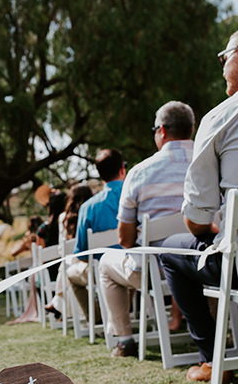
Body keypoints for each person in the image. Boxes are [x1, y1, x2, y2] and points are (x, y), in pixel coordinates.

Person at [160, 31, 238, 383]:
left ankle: (211, 357)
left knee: (171, 252)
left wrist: (216, 230)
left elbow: (195, 220)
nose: (221, 68)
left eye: (225, 58)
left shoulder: (221, 118)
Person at [99, 101, 195, 357]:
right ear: (192, 129)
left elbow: (126, 239)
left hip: (155, 272)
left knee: (107, 263)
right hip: (204, 265)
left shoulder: (140, 172)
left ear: (162, 131)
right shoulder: (210, 160)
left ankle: (126, 339)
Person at [66, 148, 126, 319]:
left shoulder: (88, 208)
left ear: (100, 174)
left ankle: (97, 321)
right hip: (138, 265)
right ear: (122, 169)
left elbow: (82, 253)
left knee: (71, 275)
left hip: (102, 270)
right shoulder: (138, 195)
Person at [44, 184, 92, 319]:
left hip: (77, 263)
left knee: (66, 266)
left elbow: (62, 248)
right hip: (94, 260)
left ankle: (58, 303)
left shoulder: (64, 218)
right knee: (67, 265)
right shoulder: (92, 210)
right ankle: (58, 303)